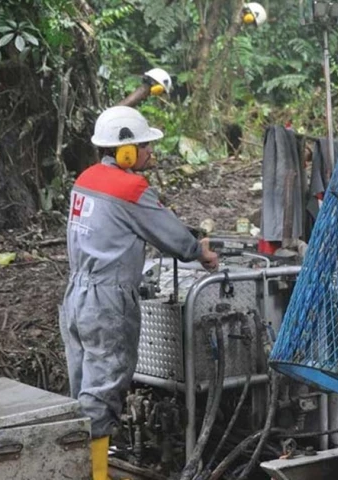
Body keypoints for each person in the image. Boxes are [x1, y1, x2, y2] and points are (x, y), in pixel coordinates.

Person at [59, 106, 219, 480]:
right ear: (125, 151)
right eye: (144, 145)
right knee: (103, 391)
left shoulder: (86, 178)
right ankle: (96, 476)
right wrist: (201, 251)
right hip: (108, 301)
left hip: (76, 294)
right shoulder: (131, 187)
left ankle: (80, 468)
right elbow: (173, 237)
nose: (150, 152)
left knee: (82, 390)